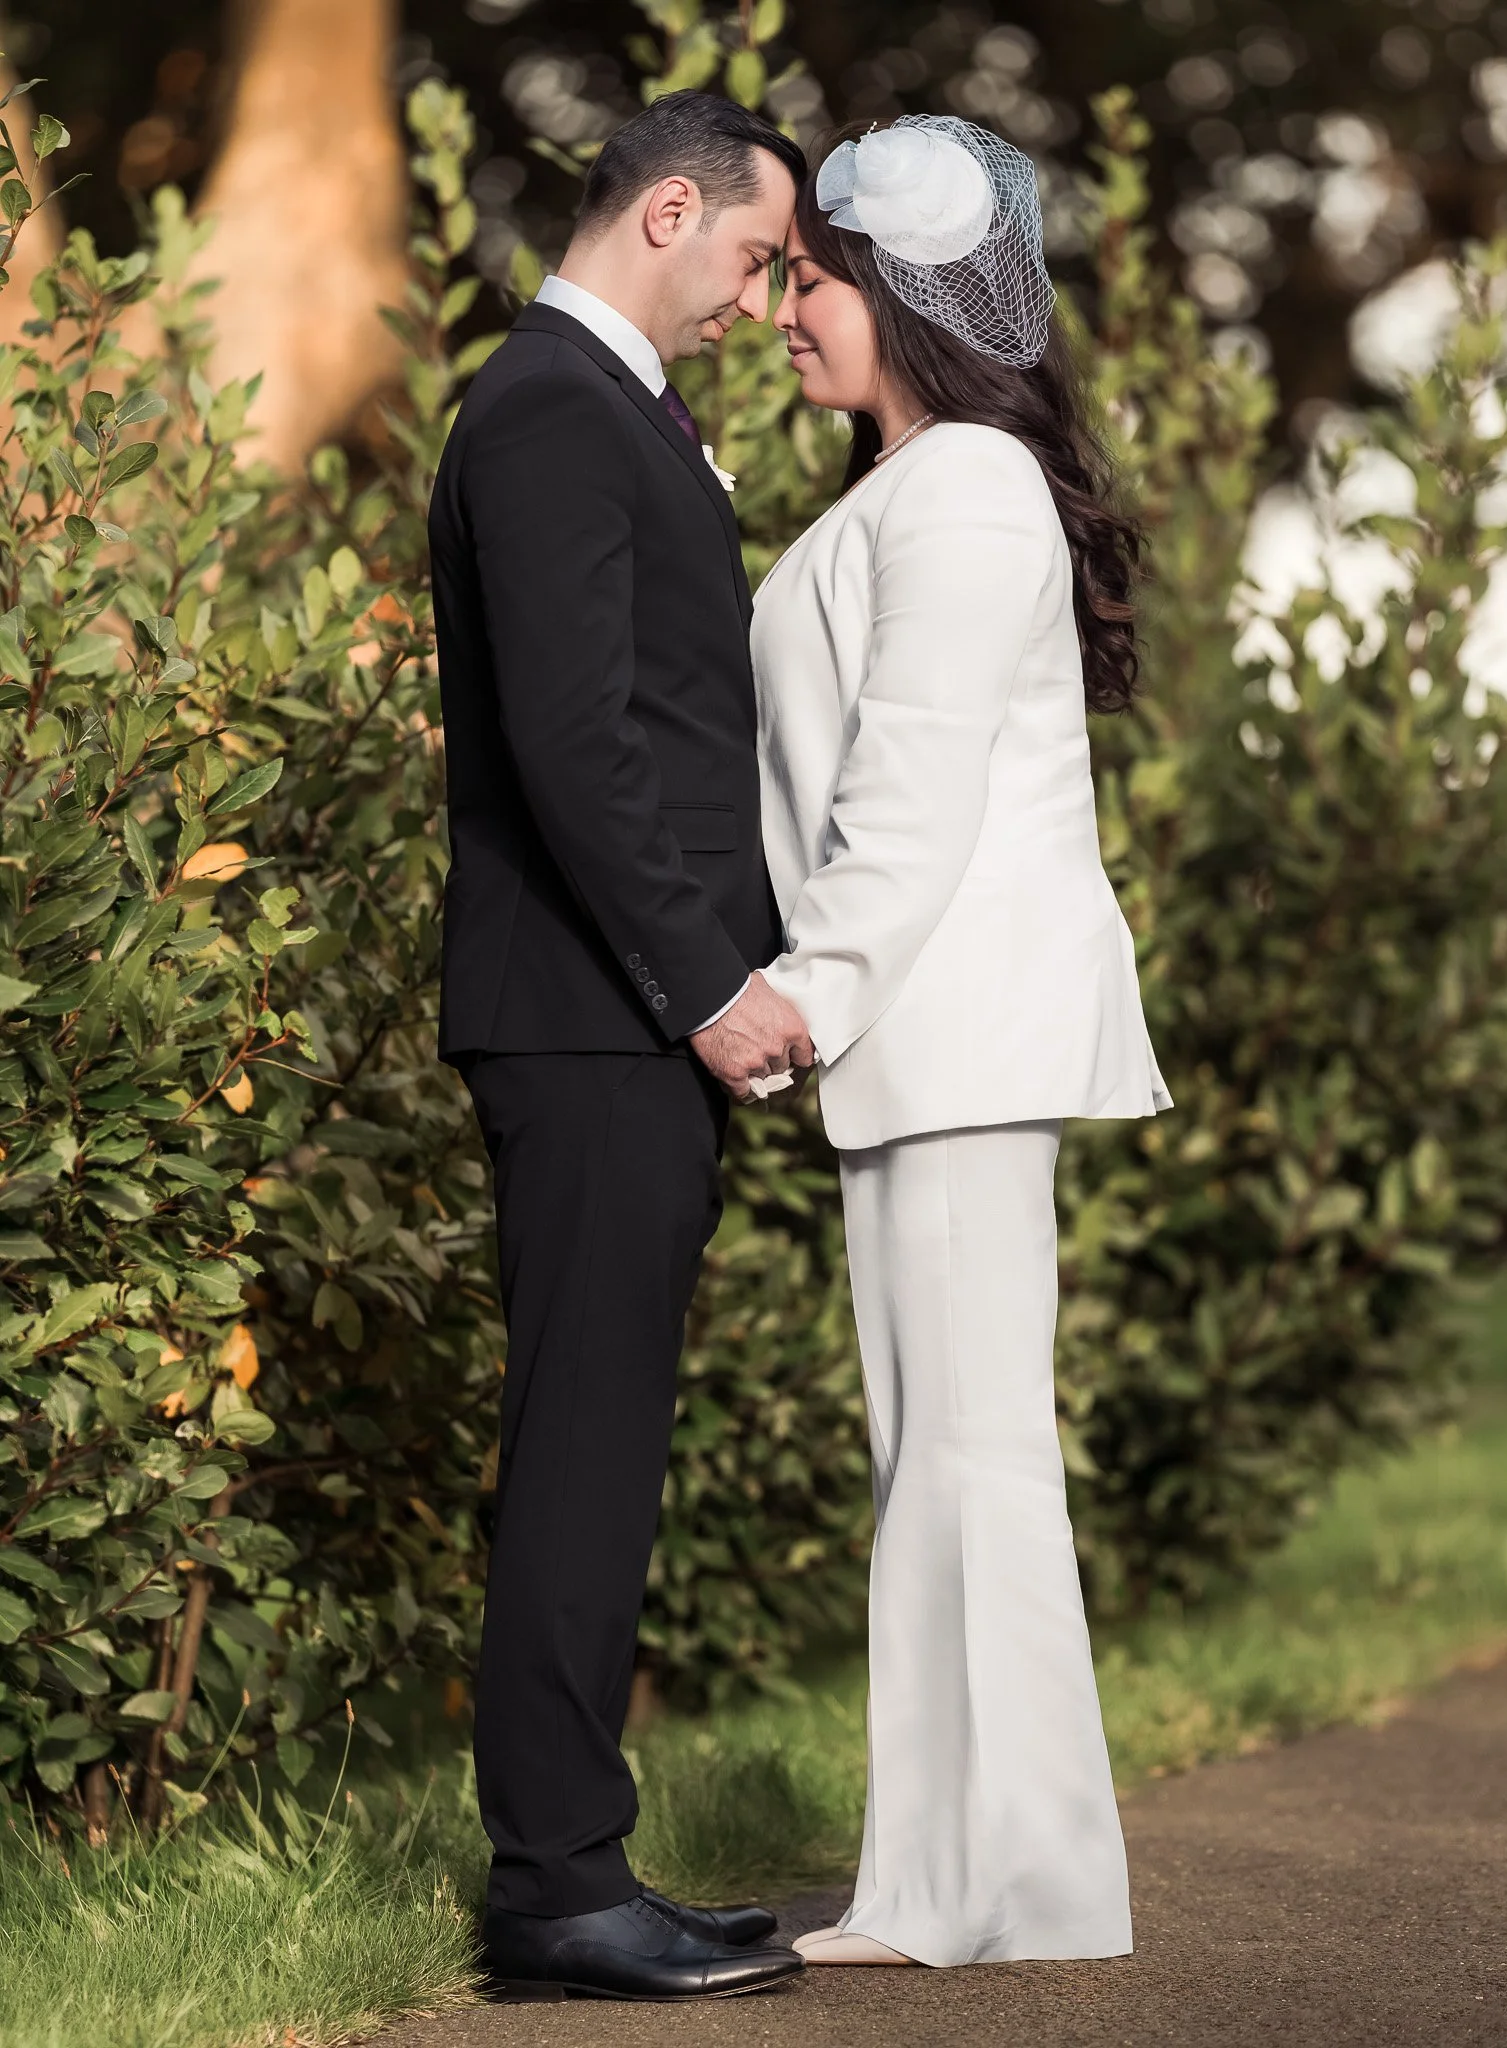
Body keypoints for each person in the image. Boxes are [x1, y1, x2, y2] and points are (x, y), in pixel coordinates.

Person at [751, 116, 1171, 1968]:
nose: (785, 310)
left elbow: (907, 793)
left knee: (970, 1452)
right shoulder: (914, 490)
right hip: (926, 1040)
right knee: (946, 1446)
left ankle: (1003, 1887)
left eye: (818, 279)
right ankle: (957, 1881)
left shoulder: (968, 490)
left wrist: (802, 994)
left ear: (912, 300)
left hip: (954, 1031)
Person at [428, 91, 815, 2003]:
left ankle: (582, 1858)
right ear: (669, 209)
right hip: (591, 1017)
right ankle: (559, 1890)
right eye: (753, 255)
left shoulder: (600, 409)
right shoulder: (548, 412)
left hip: (609, 1019)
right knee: (583, 1446)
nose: (757, 300)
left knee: (605, 1441)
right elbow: (579, 750)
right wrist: (704, 984)